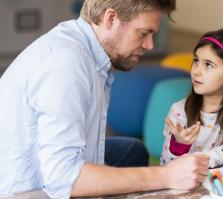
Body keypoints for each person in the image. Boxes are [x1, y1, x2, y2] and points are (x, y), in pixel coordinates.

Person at [0, 0, 209, 198]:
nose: (149, 45)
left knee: (131, 151)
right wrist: (165, 176)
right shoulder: (67, 65)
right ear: (110, 19)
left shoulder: (82, 46)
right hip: (24, 190)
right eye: (143, 33)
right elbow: (64, 179)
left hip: (41, 159)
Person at [160, 29, 223, 168]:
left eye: (208, 64)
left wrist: (199, 159)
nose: (196, 71)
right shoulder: (179, 112)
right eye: (196, 60)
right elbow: (166, 167)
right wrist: (179, 146)